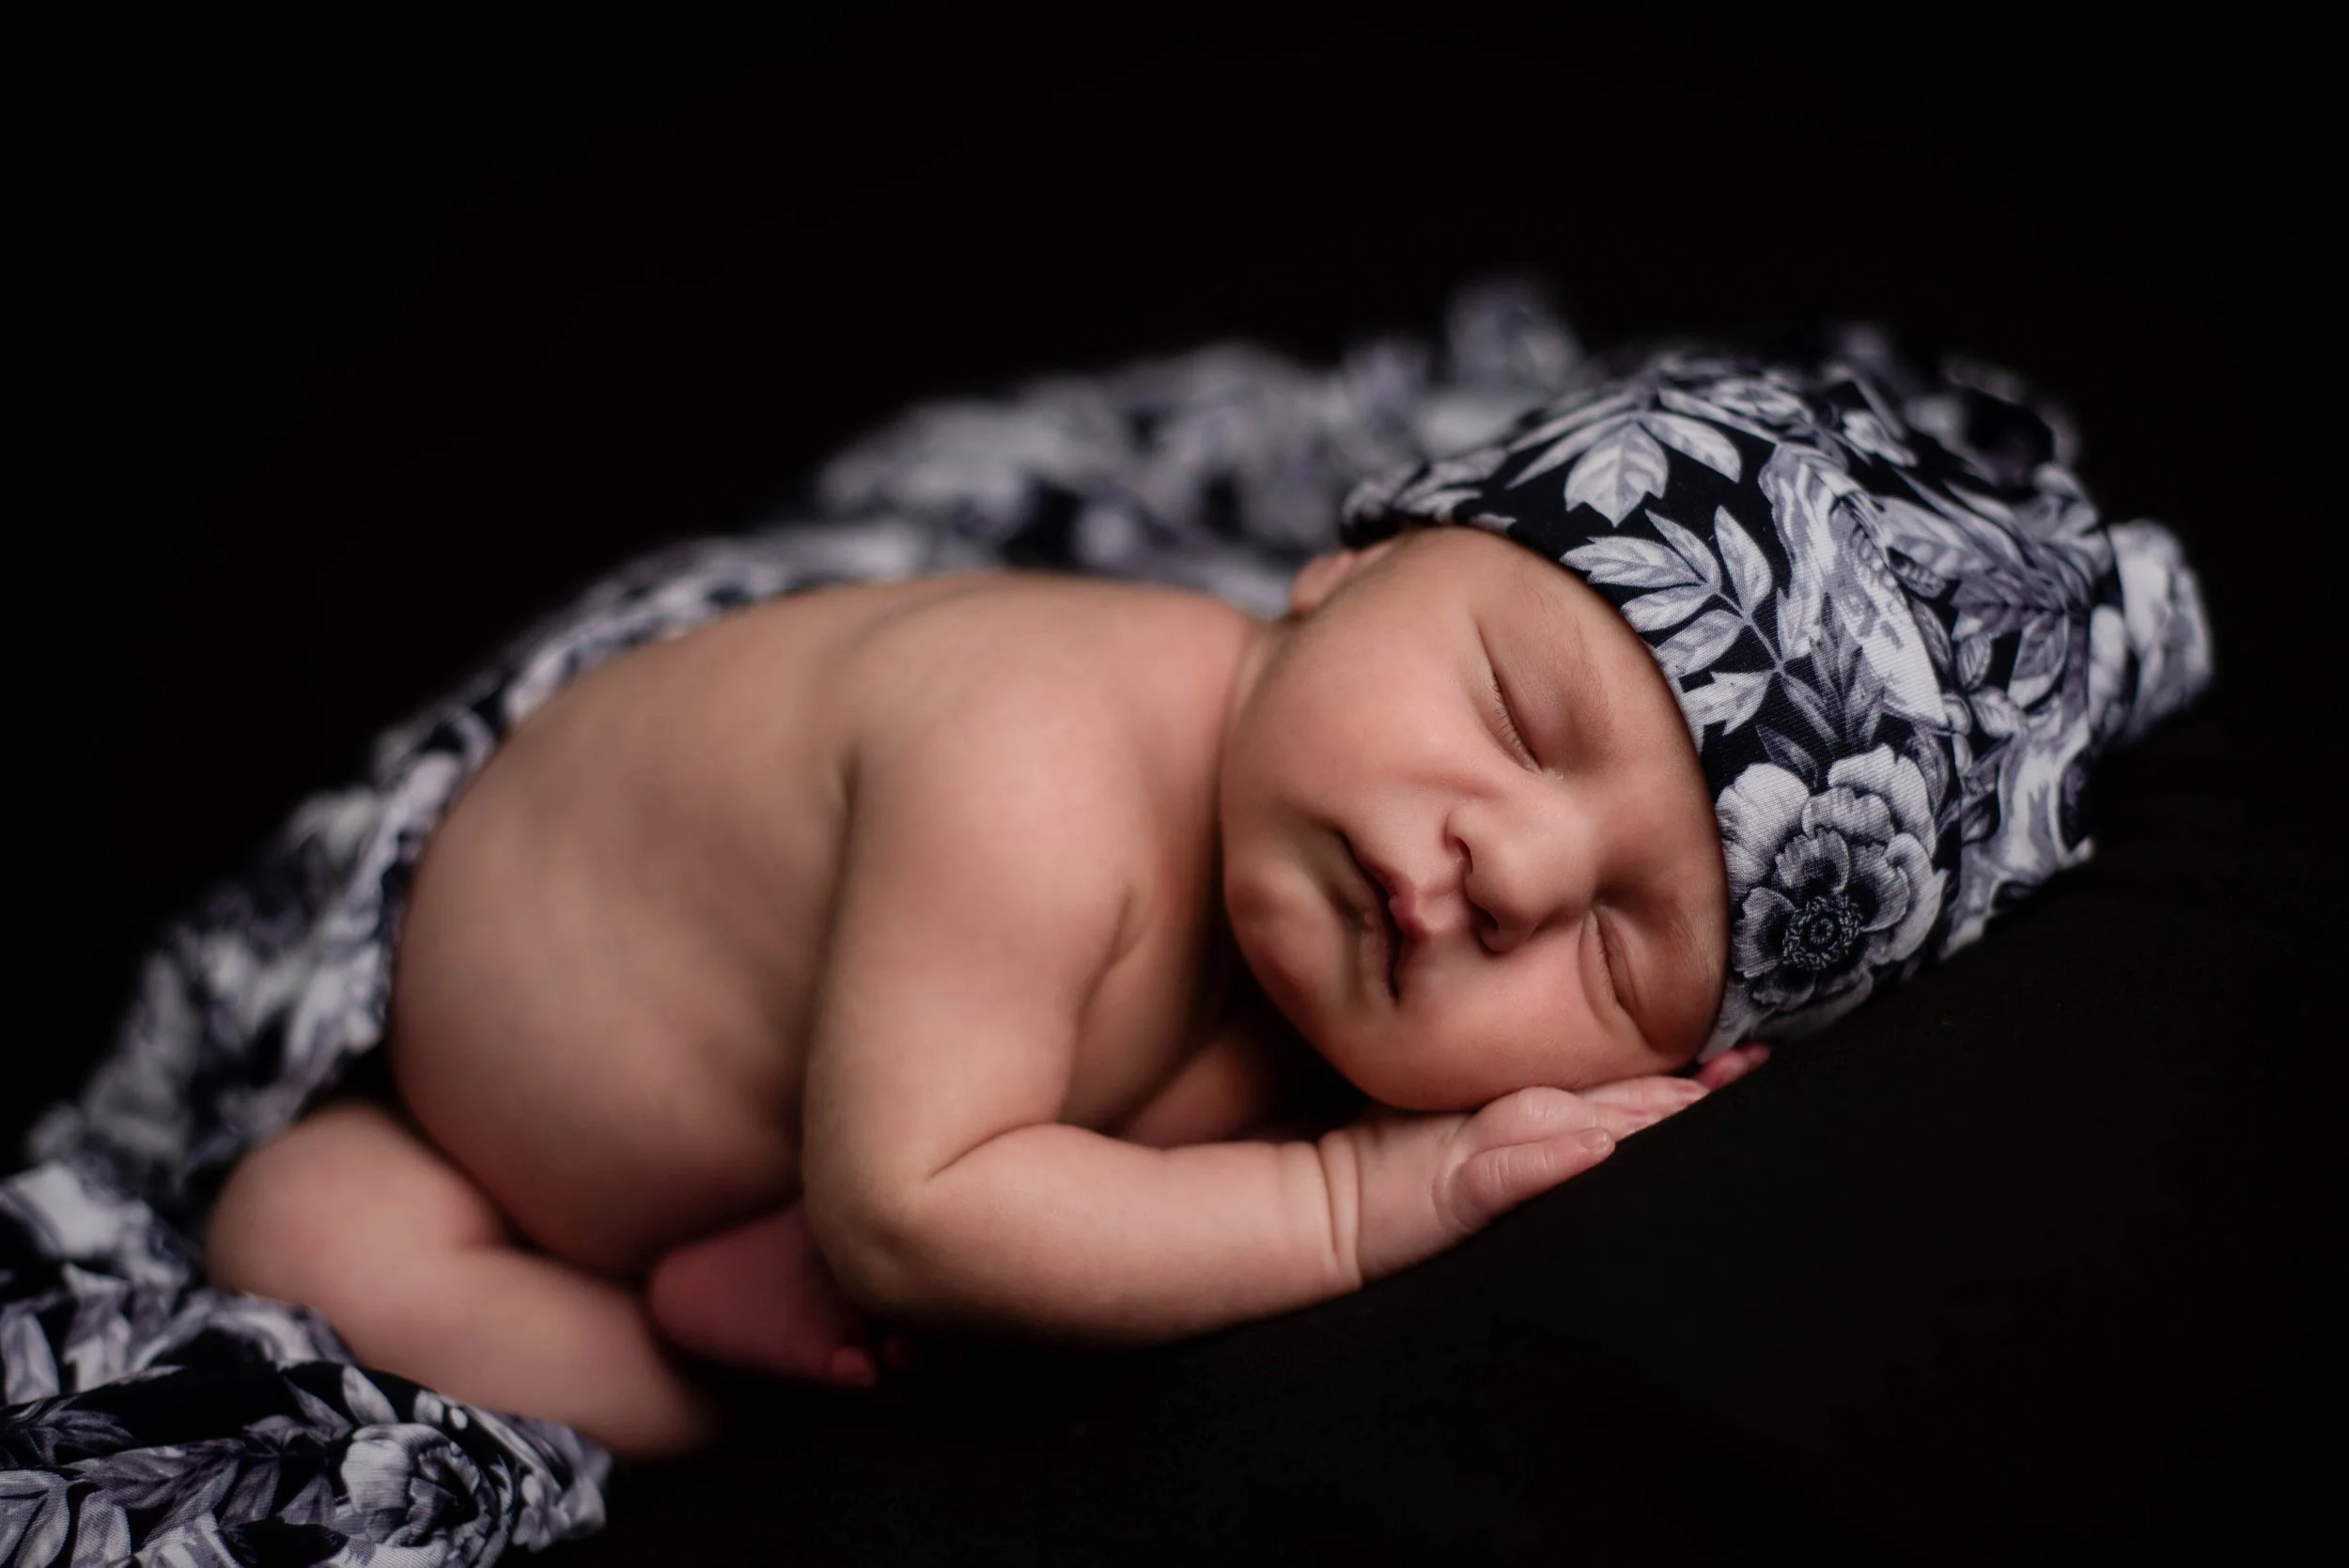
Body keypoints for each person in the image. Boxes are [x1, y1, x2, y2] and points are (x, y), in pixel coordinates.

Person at [199, 332, 2210, 1462]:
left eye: (1616, 947)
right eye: (1516, 711)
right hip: (461, 1054)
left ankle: (718, 1300)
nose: (1502, 869)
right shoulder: (1041, 753)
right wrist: (1356, 1207)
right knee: (303, 1234)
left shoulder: (1336, 992)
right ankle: (714, 1363)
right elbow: (918, 1212)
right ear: (1340, 574)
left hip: (840, 1128)